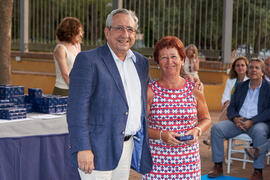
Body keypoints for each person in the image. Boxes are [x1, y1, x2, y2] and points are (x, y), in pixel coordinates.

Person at [67, 9, 152, 180]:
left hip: (126, 147)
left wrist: (188, 81)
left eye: (130, 29)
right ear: (107, 32)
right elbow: (77, 109)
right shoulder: (88, 60)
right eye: (119, 28)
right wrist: (82, 148)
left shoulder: (141, 63)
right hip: (96, 149)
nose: (125, 34)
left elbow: (152, 92)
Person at [143, 36, 211, 179]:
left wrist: (197, 130)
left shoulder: (194, 89)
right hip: (157, 163)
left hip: (188, 162)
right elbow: (140, 126)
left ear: (182, 59)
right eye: (164, 58)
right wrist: (161, 135)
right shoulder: (150, 91)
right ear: (157, 62)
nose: (169, 62)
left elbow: (206, 119)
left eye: (174, 56)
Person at [208, 59, 270, 180]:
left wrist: (252, 121)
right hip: (238, 122)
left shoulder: (268, 88)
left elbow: (268, 111)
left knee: (260, 132)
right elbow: (231, 107)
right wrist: (235, 119)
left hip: (257, 123)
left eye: (257, 68)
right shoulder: (241, 86)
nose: (253, 70)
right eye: (251, 67)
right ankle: (218, 166)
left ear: (262, 72)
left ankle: (258, 172)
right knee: (217, 129)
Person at [203, 56, 249, 146]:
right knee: (229, 110)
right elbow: (226, 94)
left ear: (247, 67)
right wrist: (226, 102)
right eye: (238, 65)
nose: (240, 67)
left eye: (242, 65)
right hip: (231, 109)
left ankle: (212, 137)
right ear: (234, 68)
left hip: (244, 109)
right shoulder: (231, 80)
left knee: (229, 111)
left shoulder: (250, 80)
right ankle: (216, 139)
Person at [52, 17, 83, 96]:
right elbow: (65, 74)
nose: (81, 34)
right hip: (63, 91)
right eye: (78, 31)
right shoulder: (60, 49)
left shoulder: (77, 46)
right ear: (71, 32)